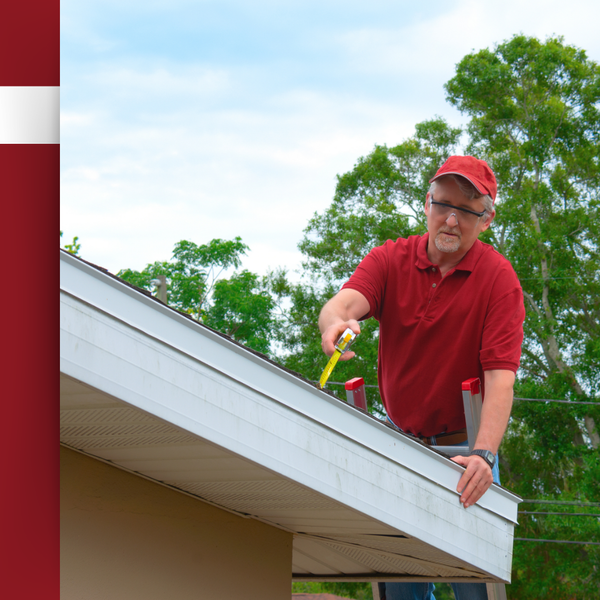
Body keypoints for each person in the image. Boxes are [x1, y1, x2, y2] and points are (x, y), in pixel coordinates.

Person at [318, 156, 525, 600]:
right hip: (399, 445)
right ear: (427, 204)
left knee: (475, 587)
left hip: (464, 455)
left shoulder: (498, 280)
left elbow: (501, 378)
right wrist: (334, 323)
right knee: (399, 587)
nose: (451, 219)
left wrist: (484, 457)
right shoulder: (390, 259)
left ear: (486, 219)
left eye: (467, 209)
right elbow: (343, 304)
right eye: (442, 205)